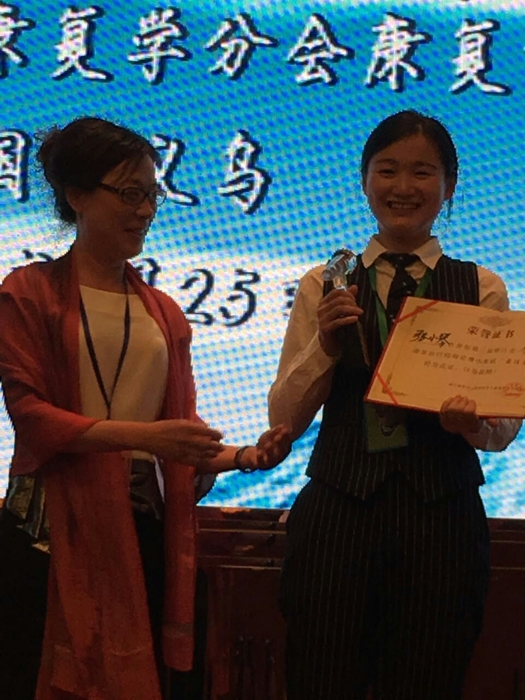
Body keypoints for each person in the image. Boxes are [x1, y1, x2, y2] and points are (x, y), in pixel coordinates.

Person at [0, 116, 290, 700]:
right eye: (130, 194)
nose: (146, 210)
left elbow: (179, 436)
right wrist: (147, 438)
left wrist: (243, 456)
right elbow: (33, 419)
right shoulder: (26, 292)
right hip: (50, 532)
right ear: (77, 196)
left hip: (142, 531)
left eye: (152, 195)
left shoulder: (164, 312)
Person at [268, 110, 522, 700]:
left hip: (443, 518)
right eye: (387, 170)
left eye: (422, 172)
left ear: (449, 187)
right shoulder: (323, 282)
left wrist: (472, 424)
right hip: (338, 513)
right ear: (364, 180)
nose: (403, 187)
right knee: (320, 678)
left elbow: (503, 425)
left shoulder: (482, 287)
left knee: (428, 680)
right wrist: (326, 343)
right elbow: (283, 416)